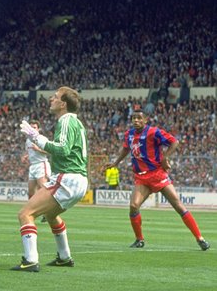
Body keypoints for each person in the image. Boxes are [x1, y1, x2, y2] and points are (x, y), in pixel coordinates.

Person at [104, 109, 210, 251]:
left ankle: (200, 238)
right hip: (141, 177)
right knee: (134, 206)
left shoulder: (153, 132)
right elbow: (125, 149)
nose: (136, 120)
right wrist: (116, 162)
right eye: (134, 118)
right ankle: (139, 240)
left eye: (139, 118)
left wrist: (165, 157)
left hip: (157, 174)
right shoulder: (128, 134)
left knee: (178, 206)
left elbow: (174, 142)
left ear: (145, 120)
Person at [12, 86, 88, 272]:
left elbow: (63, 149)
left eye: (55, 97)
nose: (51, 99)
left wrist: (36, 137)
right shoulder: (76, 123)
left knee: (25, 214)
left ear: (63, 104)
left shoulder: (66, 121)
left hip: (67, 178)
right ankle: (64, 256)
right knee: (51, 215)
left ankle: (30, 260)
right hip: (79, 179)